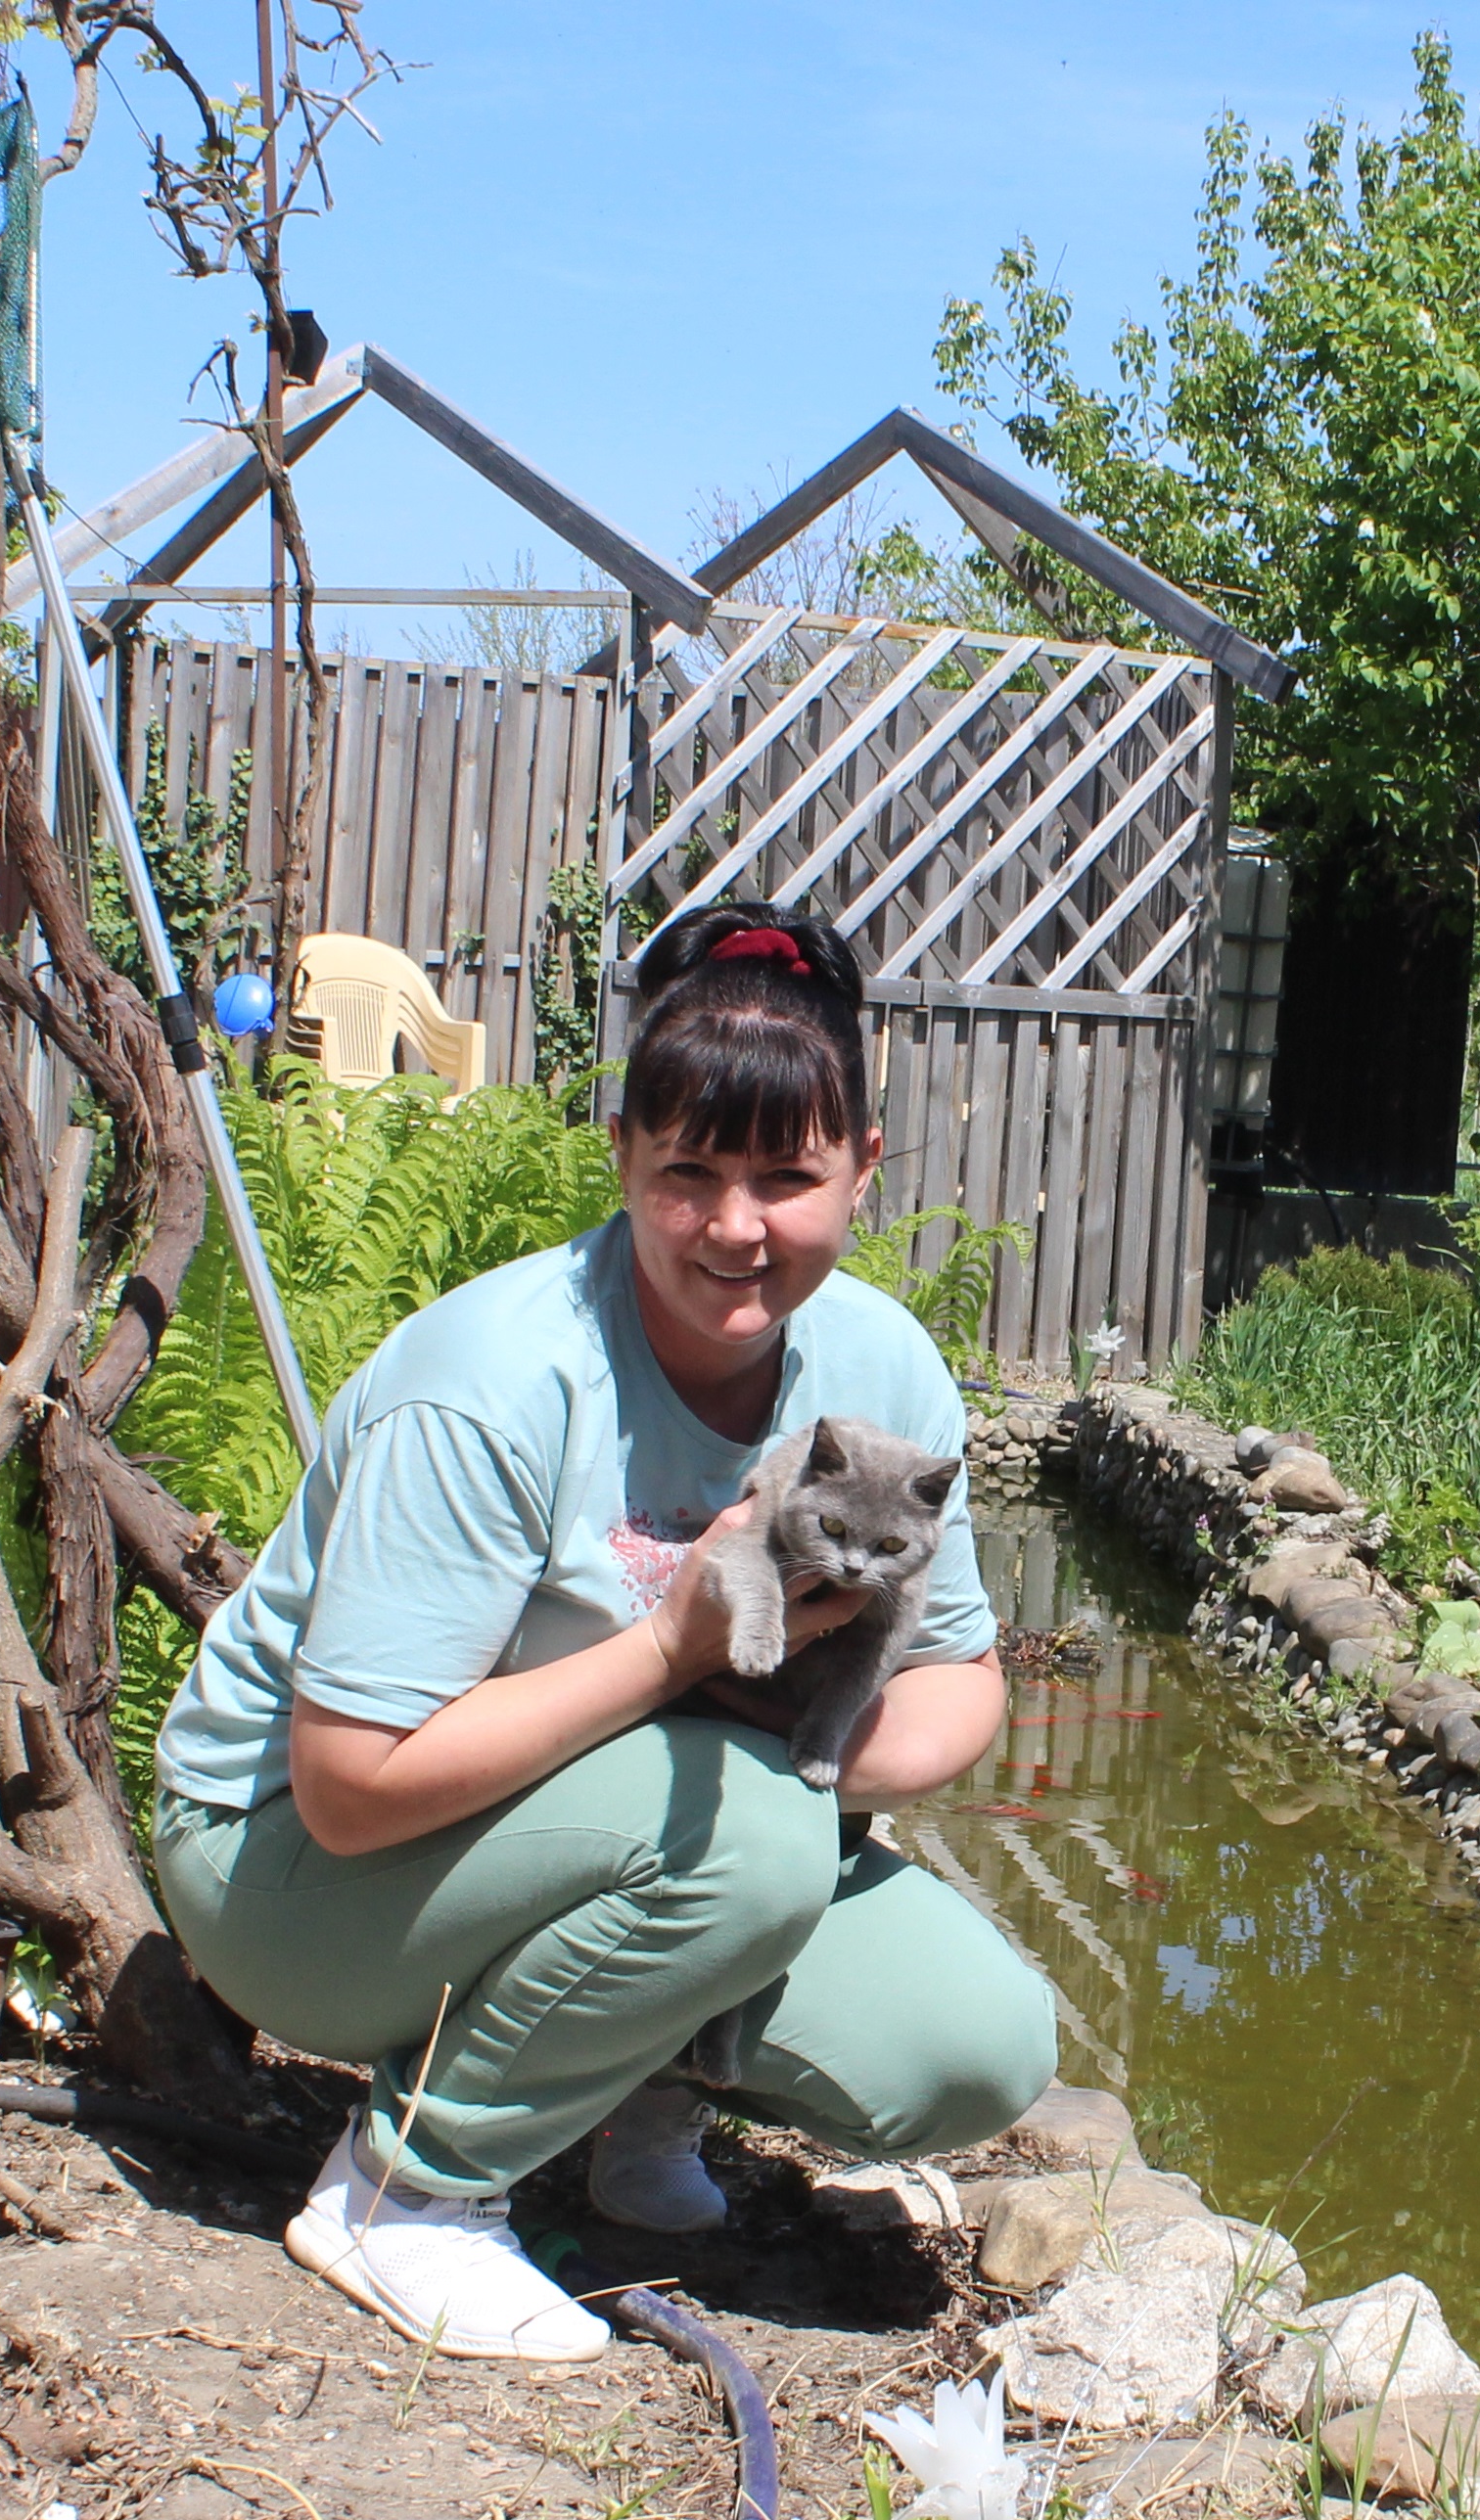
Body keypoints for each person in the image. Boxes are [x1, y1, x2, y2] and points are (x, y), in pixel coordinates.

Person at [149, 900, 1058, 2364]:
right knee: (751, 1840)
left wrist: (805, 1745)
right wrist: (680, 1660)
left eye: (788, 1175)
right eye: (688, 1171)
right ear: (623, 1152)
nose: (736, 1228)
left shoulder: (879, 1364)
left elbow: (958, 1683)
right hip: (290, 1865)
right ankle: (405, 2193)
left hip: (612, 1836)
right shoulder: (499, 1380)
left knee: (977, 2045)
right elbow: (348, 1783)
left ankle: (630, 2075)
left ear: (863, 1172)